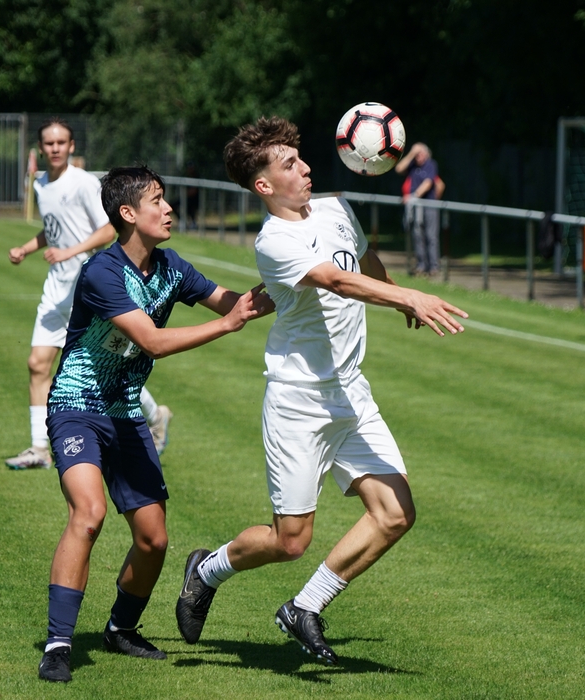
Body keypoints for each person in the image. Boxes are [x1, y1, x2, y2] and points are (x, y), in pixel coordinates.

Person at [175, 116, 467, 665]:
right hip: (299, 401)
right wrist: (409, 298)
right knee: (291, 541)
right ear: (264, 185)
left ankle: (304, 607)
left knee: (396, 512)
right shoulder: (274, 241)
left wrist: (396, 292)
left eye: (301, 157)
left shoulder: (337, 208)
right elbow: (336, 279)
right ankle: (207, 570)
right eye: (290, 164)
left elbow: (361, 260)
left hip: (351, 392)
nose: (306, 168)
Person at [37, 165, 272, 683]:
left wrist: (294, 284)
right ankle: (57, 645)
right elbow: (153, 342)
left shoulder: (170, 267)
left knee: (153, 539)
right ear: (128, 213)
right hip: (77, 406)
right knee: (89, 514)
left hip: (126, 413)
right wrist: (227, 324)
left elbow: (233, 302)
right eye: (158, 200)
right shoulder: (102, 272)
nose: (168, 208)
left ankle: (120, 629)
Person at [5, 119, 173, 469]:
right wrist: (27, 248)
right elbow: (53, 229)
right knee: (37, 364)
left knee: (102, 365)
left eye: (61, 142)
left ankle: (155, 415)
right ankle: (39, 449)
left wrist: (69, 252)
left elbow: (110, 229)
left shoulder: (83, 184)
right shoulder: (41, 185)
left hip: (88, 288)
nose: (54, 148)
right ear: (40, 147)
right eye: (49, 143)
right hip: (56, 287)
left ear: (71, 146)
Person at [394, 142, 441, 275]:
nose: (418, 157)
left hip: (429, 205)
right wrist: (411, 153)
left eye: (420, 154)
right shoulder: (413, 165)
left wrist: (414, 196)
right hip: (415, 206)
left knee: (431, 236)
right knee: (417, 235)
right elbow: (399, 169)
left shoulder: (431, 165)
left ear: (426, 154)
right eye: (416, 155)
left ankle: (434, 266)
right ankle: (421, 265)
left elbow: (428, 183)